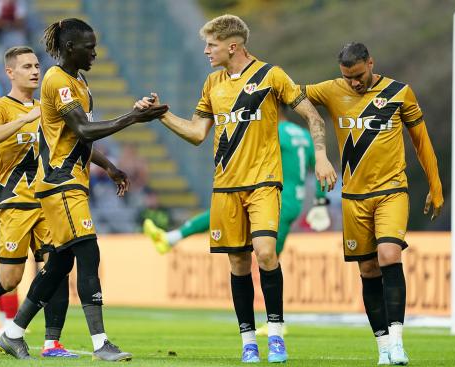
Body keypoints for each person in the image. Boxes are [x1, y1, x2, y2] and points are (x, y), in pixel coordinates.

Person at [135, 14, 337, 364]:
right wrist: (161, 115)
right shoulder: (212, 82)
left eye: (211, 45)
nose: (206, 51)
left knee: (265, 253)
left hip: (263, 182)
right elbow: (198, 133)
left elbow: (313, 116)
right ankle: (247, 341)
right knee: (238, 262)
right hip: (226, 186)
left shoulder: (271, 76)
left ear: (233, 46)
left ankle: (275, 335)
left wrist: (321, 156)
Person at [0, 18, 168, 361]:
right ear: (70, 48)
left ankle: (12, 334)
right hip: (60, 183)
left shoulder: (79, 81)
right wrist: (132, 117)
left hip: (71, 180)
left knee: (59, 263)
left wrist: (110, 167)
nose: (94, 52)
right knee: (89, 255)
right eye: (88, 47)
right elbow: (84, 130)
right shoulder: (57, 79)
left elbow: (76, 139)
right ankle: (101, 343)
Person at [304, 42, 443, 365]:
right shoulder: (330, 90)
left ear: (370, 63)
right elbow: (289, 94)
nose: (353, 83)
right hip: (353, 197)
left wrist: (435, 186)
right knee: (368, 270)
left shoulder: (399, 93)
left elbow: (421, 141)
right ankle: (382, 347)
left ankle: (397, 343)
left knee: (389, 255)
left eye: (358, 75)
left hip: (391, 190)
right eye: (347, 77)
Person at [0, 46, 77, 358]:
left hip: (47, 201)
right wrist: (27, 118)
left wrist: (109, 167)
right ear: (10, 72)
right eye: (27, 66)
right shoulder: (0, 107)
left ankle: (52, 343)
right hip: (14, 201)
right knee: (11, 278)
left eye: (37, 65)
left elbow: (70, 142)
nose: (35, 71)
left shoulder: (46, 106)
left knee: (57, 267)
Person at [144, 106, 330, 255]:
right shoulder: (303, 135)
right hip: (293, 202)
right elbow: (319, 169)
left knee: (266, 256)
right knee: (267, 253)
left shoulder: (274, 132)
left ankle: (172, 238)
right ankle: (172, 238)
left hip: (275, 198)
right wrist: (320, 202)